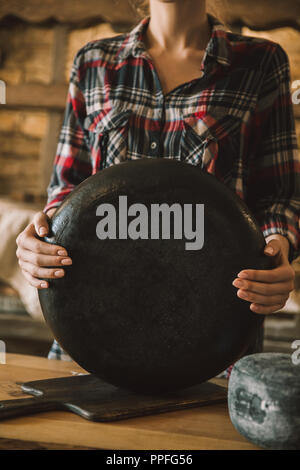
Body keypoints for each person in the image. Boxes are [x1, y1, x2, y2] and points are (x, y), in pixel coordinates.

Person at [16, 0, 300, 366]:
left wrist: (277, 248)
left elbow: (280, 196)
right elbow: (68, 188)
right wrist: (41, 238)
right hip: (90, 337)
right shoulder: (93, 61)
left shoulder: (260, 61)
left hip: (214, 342)